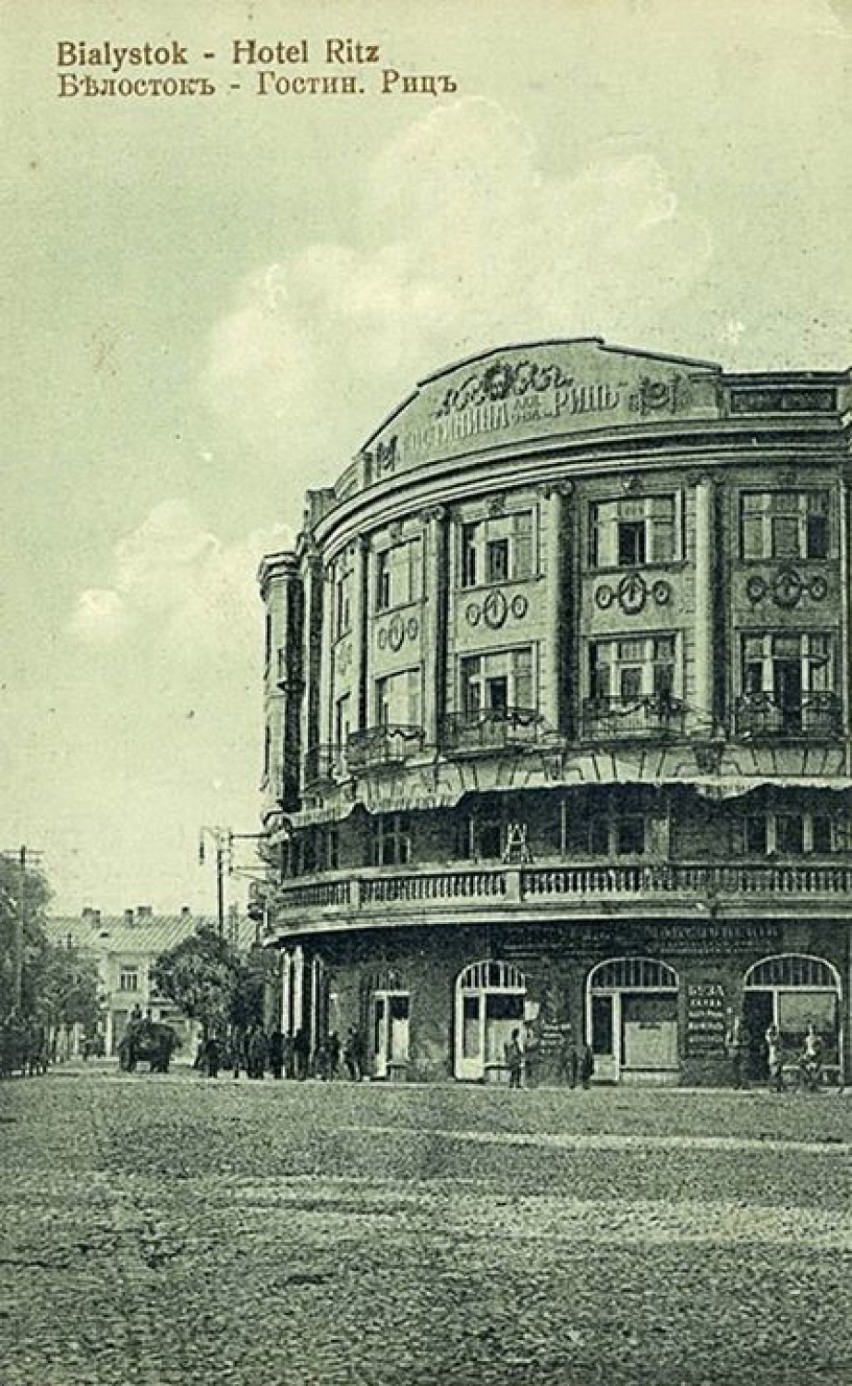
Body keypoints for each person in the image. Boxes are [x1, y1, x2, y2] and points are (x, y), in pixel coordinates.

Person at [800, 1023, 823, 1091]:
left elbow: (820, 1048)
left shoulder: (818, 1038)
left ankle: (815, 1086)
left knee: (815, 1072)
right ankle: (808, 1085)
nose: (812, 1030)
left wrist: (818, 1054)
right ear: (809, 1030)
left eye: (813, 1029)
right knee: (804, 1068)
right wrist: (803, 1055)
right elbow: (804, 1048)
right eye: (811, 1029)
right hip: (808, 1057)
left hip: (816, 1058)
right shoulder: (807, 1039)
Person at [765, 1023, 784, 1092]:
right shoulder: (769, 1036)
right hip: (773, 1054)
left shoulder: (777, 1036)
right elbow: (771, 1041)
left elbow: (781, 1043)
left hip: (779, 1054)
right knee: (774, 1071)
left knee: (779, 1071)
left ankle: (779, 1086)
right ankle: (771, 1086)